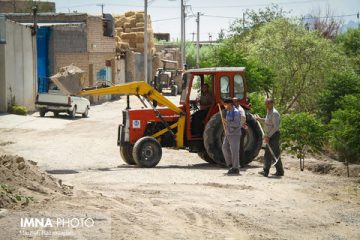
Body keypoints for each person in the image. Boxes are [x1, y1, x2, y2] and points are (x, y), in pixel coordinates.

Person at [256, 99, 284, 177]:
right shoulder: (269, 112)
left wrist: (268, 136)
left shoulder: (275, 113)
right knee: (275, 153)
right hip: (270, 135)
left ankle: (265, 171)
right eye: (266, 104)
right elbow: (268, 121)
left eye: (268, 104)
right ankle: (280, 171)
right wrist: (260, 119)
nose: (266, 105)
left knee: (268, 153)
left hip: (274, 135)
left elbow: (275, 127)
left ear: (272, 104)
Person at [222, 98, 242, 175]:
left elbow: (236, 124)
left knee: (234, 151)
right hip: (228, 133)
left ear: (230, 104)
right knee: (224, 147)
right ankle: (230, 164)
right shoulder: (228, 112)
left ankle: (235, 168)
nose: (224, 106)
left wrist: (227, 123)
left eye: (225, 104)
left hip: (235, 134)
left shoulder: (236, 112)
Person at [232, 97, 247, 167]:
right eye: (232, 102)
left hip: (240, 130)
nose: (233, 103)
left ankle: (242, 164)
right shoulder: (235, 109)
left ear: (238, 102)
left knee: (240, 148)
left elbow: (243, 118)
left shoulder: (240, 110)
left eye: (234, 102)